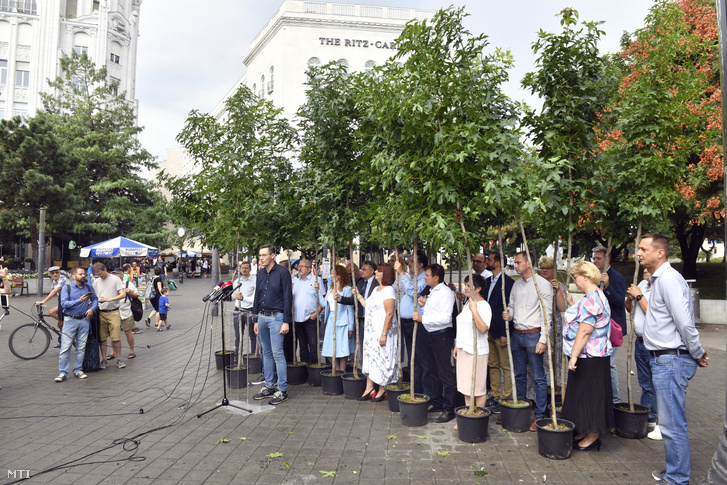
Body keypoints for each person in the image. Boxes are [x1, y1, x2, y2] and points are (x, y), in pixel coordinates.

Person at [636, 233, 708, 485]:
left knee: (672, 424)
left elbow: (685, 323)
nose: (638, 253)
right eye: (639, 249)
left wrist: (697, 352)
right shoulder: (659, 280)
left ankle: (677, 479)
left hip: (671, 360)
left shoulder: (668, 280)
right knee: (668, 424)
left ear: (660, 253)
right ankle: (675, 472)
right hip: (663, 359)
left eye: (644, 249)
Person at [561, 261, 614, 451]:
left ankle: (593, 435)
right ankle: (585, 430)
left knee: (592, 395)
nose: (574, 279)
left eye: (576, 276)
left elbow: (585, 330)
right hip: (590, 356)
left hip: (591, 356)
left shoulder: (592, 298)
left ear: (587, 276)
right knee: (583, 394)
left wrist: (574, 355)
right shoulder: (592, 296)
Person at [502, 251, 553, 431]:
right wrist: (509, 314)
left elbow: (547, 315)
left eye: (518, 262)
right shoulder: (517, 285)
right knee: (519, 375)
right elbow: (513, 308)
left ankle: (539, 415)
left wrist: (543, 339)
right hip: (517, 334)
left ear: (528, 263)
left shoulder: (543, 285)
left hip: (533, 335)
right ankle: (520, 411)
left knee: (539, 377)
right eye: (515, 263)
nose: (515, 266)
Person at [413, 263, 457, 423]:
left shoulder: (445, 293)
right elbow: (434, 314)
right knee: (432, 370)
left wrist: (423, 318)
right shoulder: (431, 291)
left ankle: (449, 409)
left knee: (445, 373)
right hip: (431, 335)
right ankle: (436, 402)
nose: (424, 277)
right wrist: (424, 307)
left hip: (441, 336)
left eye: (427, 275)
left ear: (436, 278)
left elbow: (445, 318)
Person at [252, 244, 293, 406]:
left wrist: (286, 321)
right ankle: (269, 386)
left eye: (264, 255)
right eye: (260, 255)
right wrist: (255, 319)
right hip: (262, 316)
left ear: (273, 256)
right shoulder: (260, 273)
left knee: (277, 353)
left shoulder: (283, 273)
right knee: (266, 353)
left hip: (277, 318)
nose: (261, 258)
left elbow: (288, 297)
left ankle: (282, 390)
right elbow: (257, 295)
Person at [356, 263, 398, 402]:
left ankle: (382, 388)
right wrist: (358, 295)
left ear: (385, 274)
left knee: (382, 359)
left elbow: (390, 313)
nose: (376, 273)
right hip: (371, 332)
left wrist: (384, 333)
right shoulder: (376, 290)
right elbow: (367, 305)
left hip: (382, 331)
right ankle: (369, 387)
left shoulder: (389, 291)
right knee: (371, 358)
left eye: (379, 271)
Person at [626, 267, 659, 438]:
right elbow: (630, 309)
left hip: (652, 343)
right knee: (645, 382)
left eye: (648, 269)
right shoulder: (642, 285)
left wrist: (639, 296)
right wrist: (630, 299)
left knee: (654, 383)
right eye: (643, 268)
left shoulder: (659, 288)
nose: (644, 271)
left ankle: (654, 417)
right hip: (639, 342)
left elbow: (653, 314)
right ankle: (649, 416)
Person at [592, 246, 627, 403]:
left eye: (598, 258)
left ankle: (615, 399)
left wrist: (607, 286)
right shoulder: (594, 277)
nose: (595, 261)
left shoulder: (616, 277)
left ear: (607, 260)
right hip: (598, 328)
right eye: (594, 258)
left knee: (609, 363)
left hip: (612, 328)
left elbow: (620, 302)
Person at [453, 274, 491, 409]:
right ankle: (469, 414)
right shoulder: (468, 302)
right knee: (466, 386)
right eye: (465, 285)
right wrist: (457, 344)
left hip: (477, 351)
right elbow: (463, 325)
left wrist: (474, 311)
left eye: (469, 286)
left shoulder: (483, 306)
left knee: (478, 387)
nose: (465, 288)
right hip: (464, 349)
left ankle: (478, 416)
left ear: (478, 289)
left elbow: (483, 329)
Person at [483, 252, 514, 415]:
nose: (487, 262)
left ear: (497, 263)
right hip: (488, 330)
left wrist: (504, 333)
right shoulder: (488, 281)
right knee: (492, 364)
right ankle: (495, 395)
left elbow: (507, 307)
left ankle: (506, 397)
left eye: (489, 260)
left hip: (500, 330)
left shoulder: (508, 283)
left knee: (505, 366)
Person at [56, 266, 98, 381]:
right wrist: (79, 300)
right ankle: (63, 372)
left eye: (84, 274)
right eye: (80, 274)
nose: (83, 276)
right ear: (73, 276)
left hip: (84, 320)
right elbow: (64, 304)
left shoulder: (88, 286)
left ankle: (78, 369)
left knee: (81, 347)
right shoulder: (67, 288)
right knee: (65, 347)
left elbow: (95, 299)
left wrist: (92, 309)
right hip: (70, 320)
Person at [394, 250, 427, 393]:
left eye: (412, 261)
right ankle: (415, 386)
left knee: (418, 357)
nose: (409, 264)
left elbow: (414, 292)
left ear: (420, 264)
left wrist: (402, 273)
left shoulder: (423, 278)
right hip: (407, 322)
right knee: (412, 356)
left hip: (417, 323)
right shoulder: (413, 277)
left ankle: (419, 390)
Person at [317, 265, 354, 372]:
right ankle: (337, 370)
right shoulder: (330, 288)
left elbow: (350, 309)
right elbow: (324, 303)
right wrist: (318, 291)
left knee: (342, 350)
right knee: (328, 349)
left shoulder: (347, 289)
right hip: (331, 320)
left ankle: (341, 372)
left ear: (339, 275)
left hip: (343, 321)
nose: (331, 276)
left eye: (333, 273)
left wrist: (351, 327)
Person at [538, 257, 567, 388]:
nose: (544, 271)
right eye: (542, 268)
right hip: (538, 324)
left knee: (554, 357)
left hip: (555, 325)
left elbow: (562, 307)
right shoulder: (536, 284)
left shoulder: (558, 285)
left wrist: (558, 290)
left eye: (547, 268)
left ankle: (554, 385)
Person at [92, 263, 127, 370]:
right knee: (102, 338)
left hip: (113, 311)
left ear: (105, 269)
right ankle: (104, 359)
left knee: (115, 337)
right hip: (101, 312)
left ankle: (119, 359)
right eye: (97, 274)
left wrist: (109, 299)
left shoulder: (115, 279)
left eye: (101, 273)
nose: (100, 276)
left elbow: (123, 294)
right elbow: (94, 296)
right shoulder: (96, 282)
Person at [292, 259, 322, 365]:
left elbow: (322, 299)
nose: (299, 268)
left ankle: (313, 367)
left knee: (313, 345)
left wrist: (316, 314)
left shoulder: (316, 280)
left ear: (309, 269)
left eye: (302, 266)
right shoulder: (295, 281)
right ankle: (304, 367)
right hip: (298, 318)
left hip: (311, 318)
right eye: (299, 266)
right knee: (302, 345)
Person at [34, 266, 69, 347]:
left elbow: (55, 291)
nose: (55, 274)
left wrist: (43, 301)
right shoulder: (54, 281)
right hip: (62, 302)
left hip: (69, 302)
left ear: (60, 273)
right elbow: (52, 292)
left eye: (57, 272)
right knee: (56, 319)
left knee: (56, 317)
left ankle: (68, 326)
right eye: (53, 273)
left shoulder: (62, 279)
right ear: (50, 274)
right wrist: (41, 302)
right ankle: (64, 337)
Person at [232, 261, 257, 365]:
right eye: (242, 268)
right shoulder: (237, 281)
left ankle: (252, 357)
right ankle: (237, 357)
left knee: (252, 336)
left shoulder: (254, 281)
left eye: (246, 268)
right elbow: (233, 296)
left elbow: (254, 299)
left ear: (250, 269)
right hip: (238, 311)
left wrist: (243, 298)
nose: (244, 270)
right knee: (238, 336)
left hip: (249, 311)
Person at [115, 266, 139, 360]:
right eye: (114, 273)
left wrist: (129, 293)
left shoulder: (128, 284)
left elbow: (136, 295)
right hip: (114, 311)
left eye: (116, 273)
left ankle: (132, 350)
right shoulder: (112, 284)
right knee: (114, 333)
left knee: (128, 331)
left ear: (122, 275)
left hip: (126, 311)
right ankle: (113, 352)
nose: (115, 275)